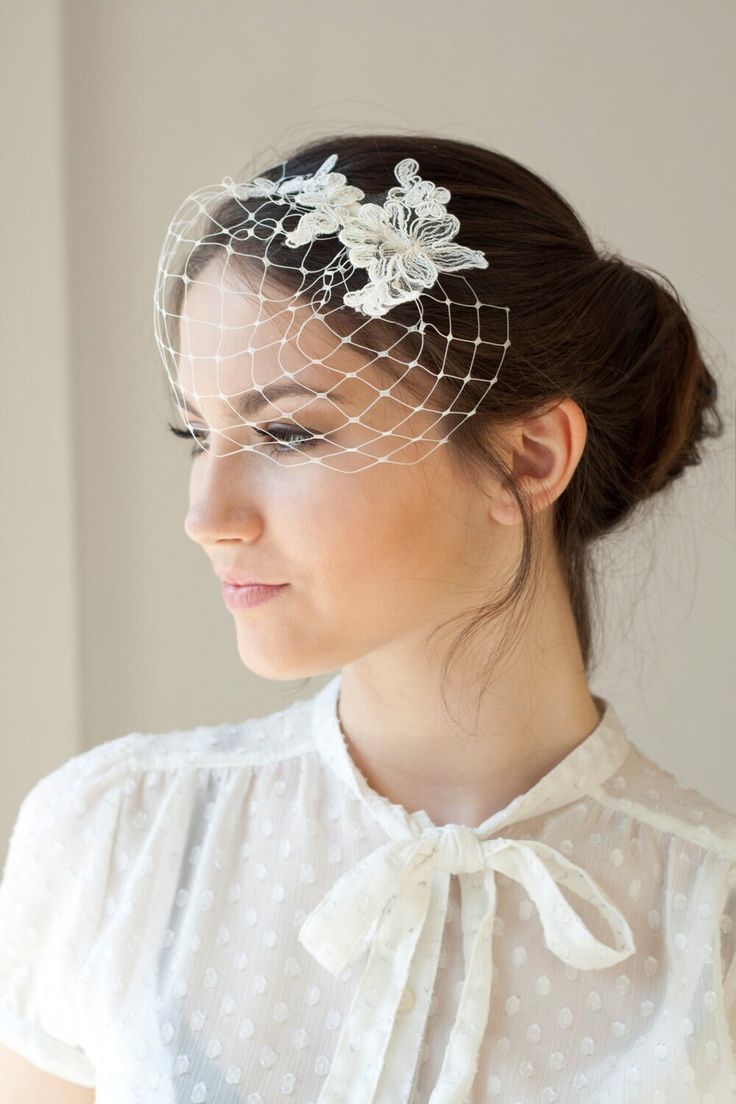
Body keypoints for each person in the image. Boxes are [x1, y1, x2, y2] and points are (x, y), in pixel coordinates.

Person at [0, 133, 733, 1103]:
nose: (207, 517)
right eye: (198, 436)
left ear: (528, 460)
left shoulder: (708, 922)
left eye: (287, 432)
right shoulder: (118, 840)